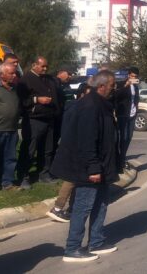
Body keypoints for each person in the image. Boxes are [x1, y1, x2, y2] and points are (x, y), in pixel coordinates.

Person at [51, 70, 119, 262]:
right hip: (88, 167)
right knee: (83, 205)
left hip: (103, 164)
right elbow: (87, 140)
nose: (114, 90)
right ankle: (72, 248)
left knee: (101, 203)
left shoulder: (101, 104)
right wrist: (94, 168)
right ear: (101, 87)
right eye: (112, 86)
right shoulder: (90, 107)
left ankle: (96, 241)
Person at [47, 84, 93, 223]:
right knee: (72, 179)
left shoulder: (73, 107)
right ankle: (58, 208)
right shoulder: (79, 109)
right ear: (82, 95)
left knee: (76, 178)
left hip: (71, 145)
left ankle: (70, 208)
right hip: (75, 147)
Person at [16, 56, 60, 188]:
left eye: (47, 66)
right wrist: (37, 100)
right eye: (42, 66)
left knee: (47, 150)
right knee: (29, 149)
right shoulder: (26, 79)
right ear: (34, 65)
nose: (45, 69)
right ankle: (23, 176)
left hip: (49, 118)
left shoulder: (47, 78)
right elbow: (22, 101)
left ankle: (44, 174)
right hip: (34, 120)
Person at [0, 64, 20, 191]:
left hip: (12, 130)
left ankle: (8, 183)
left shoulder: (15, 88)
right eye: (11, 73)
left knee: (10, 158)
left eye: (15, 73)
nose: (14, 75)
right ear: (2, 75)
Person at [115, 66, 140, 170]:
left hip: (132, 115)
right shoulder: (121, 84)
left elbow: (136, 99)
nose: (134, 78)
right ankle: (119, 160)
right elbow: (116, 96)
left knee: (128, 138)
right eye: (133, 76)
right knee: (123, 138)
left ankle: (122, 159)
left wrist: (136, 109)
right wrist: (126, 85)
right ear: (129, 75)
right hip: (123, 115)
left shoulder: (136, 86)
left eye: (136, 76)